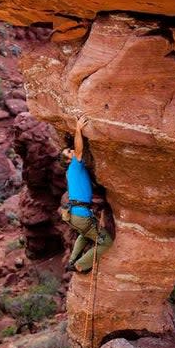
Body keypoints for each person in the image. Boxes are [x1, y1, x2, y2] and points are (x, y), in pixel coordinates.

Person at [60, 115, 113, 273]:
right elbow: (79, 150)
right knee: (105, 242)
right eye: (69, 152)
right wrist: (78, 129)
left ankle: (72, 260)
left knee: (85, 234)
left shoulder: (72, 171)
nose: (72, 151)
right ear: (69, 160)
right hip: (81, 215)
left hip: (76, 215)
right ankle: (80, 265)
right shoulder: (75, 167)